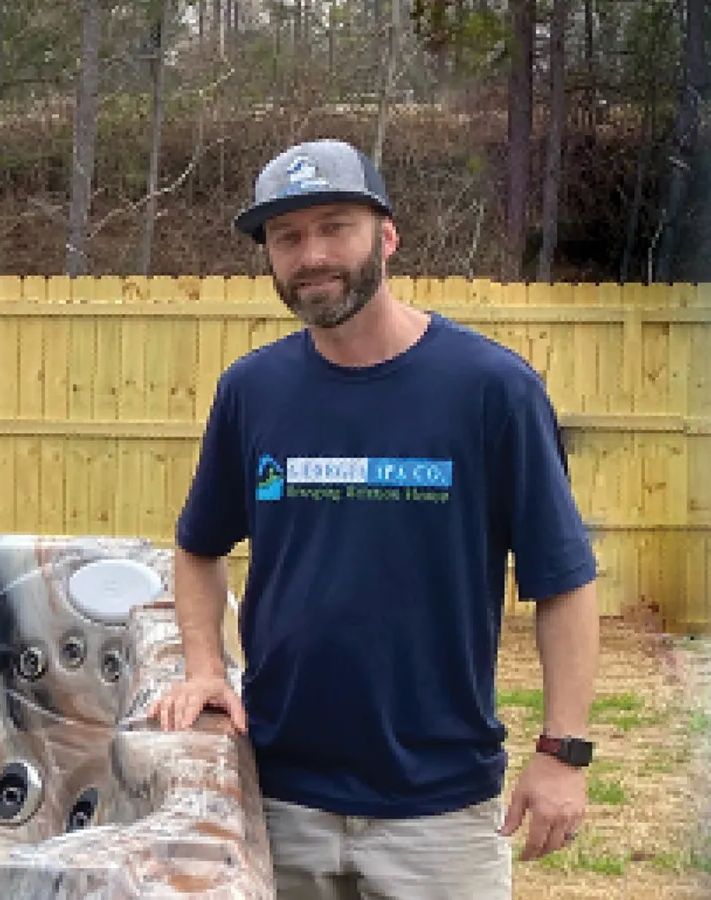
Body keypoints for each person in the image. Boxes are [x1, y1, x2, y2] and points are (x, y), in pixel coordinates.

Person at [150, 138, 601, 899]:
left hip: (440, 810)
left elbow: (563, 581)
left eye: (335, 227)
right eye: (287, 238)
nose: (311, 254)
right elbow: (198, 548)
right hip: (277, 794)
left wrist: (563, 750)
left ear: (386, 238)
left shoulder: (491, 390)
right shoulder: (252, 392)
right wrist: (203, 667)